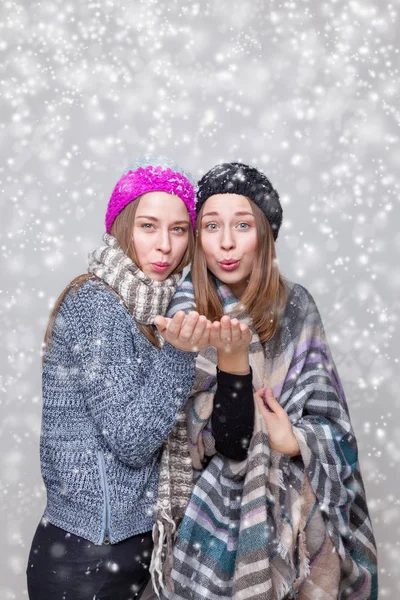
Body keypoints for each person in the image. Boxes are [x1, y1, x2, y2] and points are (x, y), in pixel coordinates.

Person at [151, 162, 378, 599]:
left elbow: (337, 427)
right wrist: (233, 370)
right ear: (197, 236)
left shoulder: (295, 307)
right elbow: (208, 442)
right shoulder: (184, 317)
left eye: (243, 225)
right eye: (212, 226)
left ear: (265, 235)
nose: (227, 243)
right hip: (208, 522)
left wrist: (295, 441)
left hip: (301, 520)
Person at [26, 157, 214, 600]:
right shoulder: (97, 303)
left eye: (178, 229)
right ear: (122, 226)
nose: (164, 246)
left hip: (133, 548)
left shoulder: (154, 309)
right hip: (88, 555)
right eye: (148, 226)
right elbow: (131, 438)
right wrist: (180, 355)